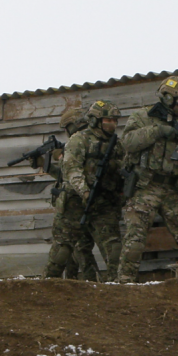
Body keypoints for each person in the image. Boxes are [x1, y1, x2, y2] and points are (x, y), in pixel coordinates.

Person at [116, 76, 178, 283]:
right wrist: (157, 131)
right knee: (135, 240)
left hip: (171, 189)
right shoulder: (142, 116)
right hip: (144, 187)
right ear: (168, 97)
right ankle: (124, 284)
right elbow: (127, 143)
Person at [61, 100, 125, 282]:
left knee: (113, 249)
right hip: (81, 202)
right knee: (79, 249)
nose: (113, 124)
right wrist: (85, 192)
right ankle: (88, 286)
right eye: (109, 120)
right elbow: (72, 170)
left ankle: (116, 284)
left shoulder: (117, 144)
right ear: (96, 121)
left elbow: (125, 169)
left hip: (106, 203)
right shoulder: (80, 140)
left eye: (115, 121)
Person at [42, 106, 96, 280]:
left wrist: (61, 157)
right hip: (85, 201)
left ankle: (53, 283)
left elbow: (75, 172)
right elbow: (64, 174)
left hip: (77, 202)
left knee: (71, 247)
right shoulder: (88, 141)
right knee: (78, 249)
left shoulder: (81, 143)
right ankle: (77, 283)